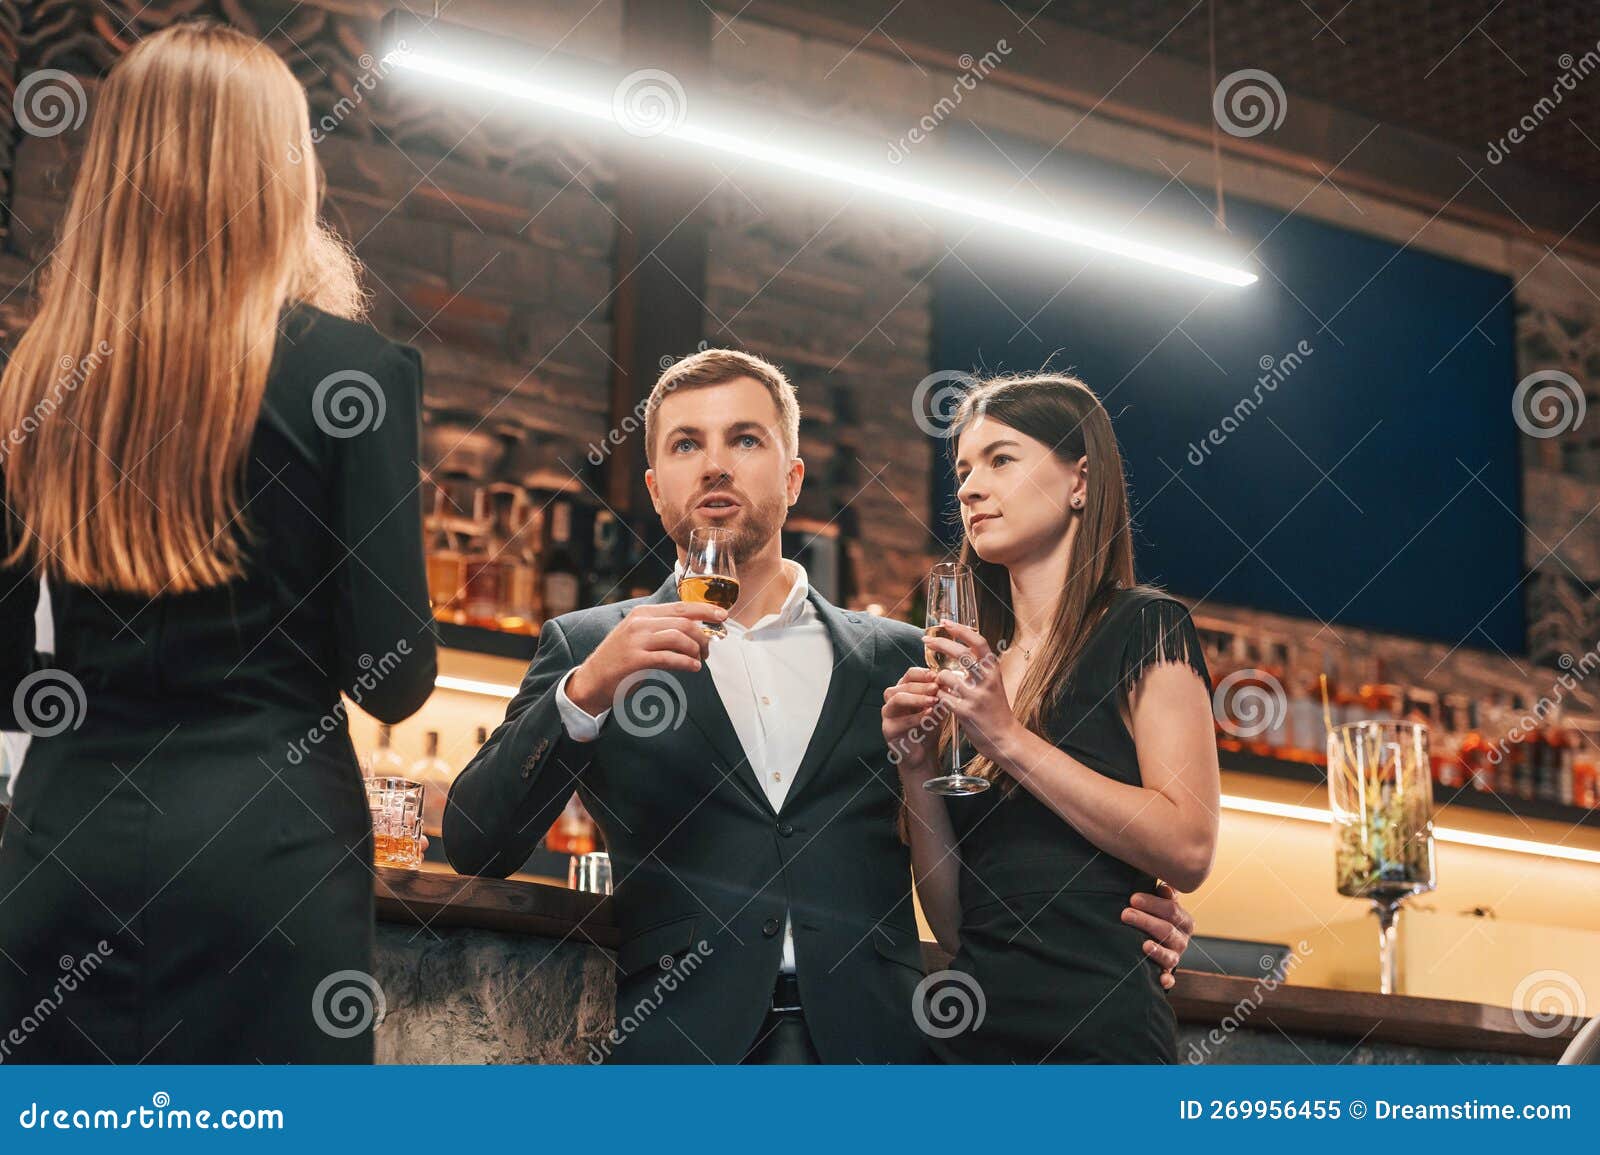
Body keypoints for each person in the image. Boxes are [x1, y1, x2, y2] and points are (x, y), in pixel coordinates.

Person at [443, 349, 1195, 1064]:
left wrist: (1117, 916)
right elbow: (477, 842)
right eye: (684, 444)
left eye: (744, 439)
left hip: (885, 1060)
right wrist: (585, 693)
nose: (714, 464)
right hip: (680, 1056)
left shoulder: (910, 657)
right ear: (654, 488)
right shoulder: (588, 646)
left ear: (794, 477)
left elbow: (1000, 868)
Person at [0, 21, 437, 1063]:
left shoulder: (32, 384)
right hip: (268, 865)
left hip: (66, 853)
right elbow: (395, 678)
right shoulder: (353, 375)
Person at [887, 372, 1221, 1063]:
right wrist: (916, 767)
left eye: (1001, 459)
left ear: (1080, 479)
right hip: (970, 1038)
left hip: (1101, 1035)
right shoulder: (979, 671)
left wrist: (1007, 739)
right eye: (963, 469)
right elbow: (953, 924)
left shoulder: (1145, 626)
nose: (970, 487)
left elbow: (1188, 847)